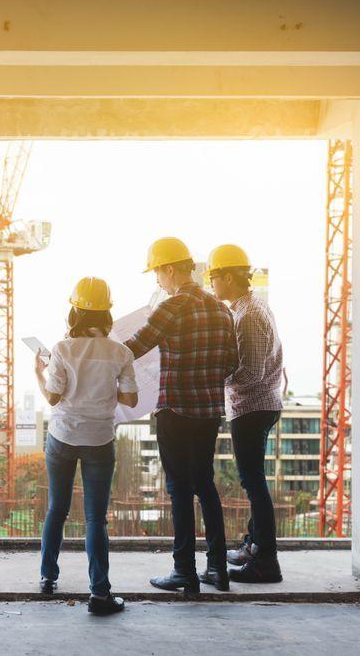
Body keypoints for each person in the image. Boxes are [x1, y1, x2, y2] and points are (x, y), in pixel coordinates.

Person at [124, 237, 238, 595]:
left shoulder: (171, 308)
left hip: (175, 409)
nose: (157, 280)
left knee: (178, 490)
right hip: (208, 412)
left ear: (170, 269)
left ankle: (184, 571)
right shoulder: (222, 310)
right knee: (205, 485)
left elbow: (132, 349)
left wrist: (90, 345)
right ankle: (218, 569)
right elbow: (232, 364)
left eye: (157, 273)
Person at [35, 276, 139, 615]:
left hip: (62, 436)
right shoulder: (121, 352)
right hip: (99, 439)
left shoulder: (62, 350)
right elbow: (131, 399)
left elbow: (53, 397)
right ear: (107, 313)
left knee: (57, 509)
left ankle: (48, 577)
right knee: (96, 518)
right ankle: (99, 594)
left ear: (74, 312)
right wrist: (105, 387)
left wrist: (40, 371)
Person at [207, 244, 285, 583]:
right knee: (253, 480)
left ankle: (265, 561)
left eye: (213, 278)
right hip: (259, 405)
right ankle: (254, 545)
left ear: (227, 276)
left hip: (252, 407)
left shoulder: (248, 315)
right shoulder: (252, 308)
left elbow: (251, 372)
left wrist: (215, 379)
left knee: (253, 483)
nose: (211, 285)